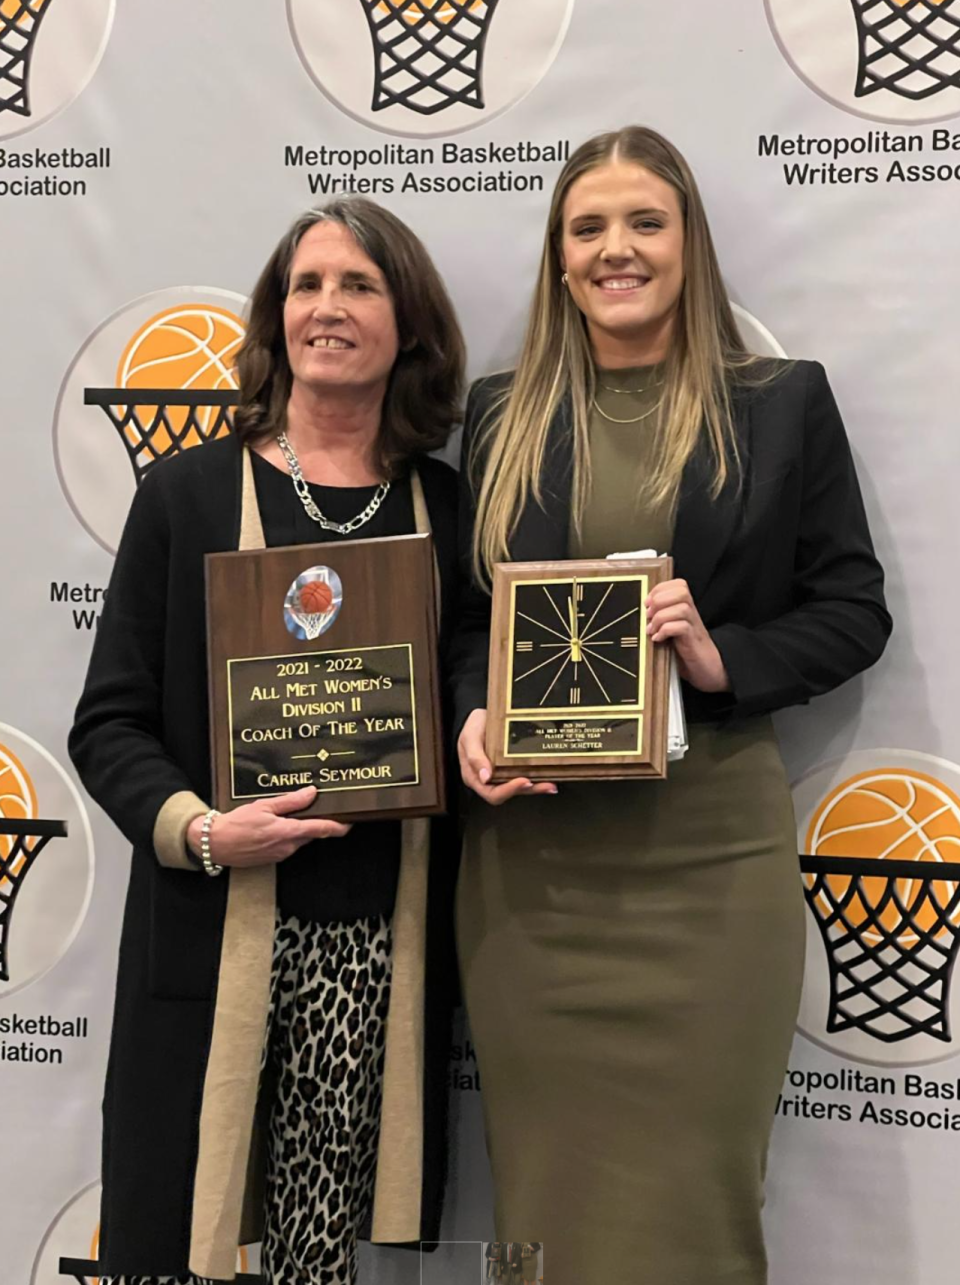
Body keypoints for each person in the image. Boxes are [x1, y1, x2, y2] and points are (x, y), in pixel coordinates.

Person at [451, 126, 891, 1284]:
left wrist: (717, 655)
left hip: (708, 863)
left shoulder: (783, 403)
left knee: (699, 1203)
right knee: (543, 1205)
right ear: (557, 258)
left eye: (644, 221)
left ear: (689, 243)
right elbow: (461, 625)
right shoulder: (498, 414)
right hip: (531, 879)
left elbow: (853, 609)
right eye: (587, 227)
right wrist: (469, 718)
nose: (616, 249)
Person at [69, 197, 465, 1285]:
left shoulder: (448, 508)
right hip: (211, 927)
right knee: (169, 1240)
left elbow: (474, 695)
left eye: (358, 284)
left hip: (373, 951)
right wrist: (199, 829)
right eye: (306, 284)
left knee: (313, 1260)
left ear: (410, 324)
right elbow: (107, 723)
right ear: (274, 317)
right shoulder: (185, 496)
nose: (326, 307)